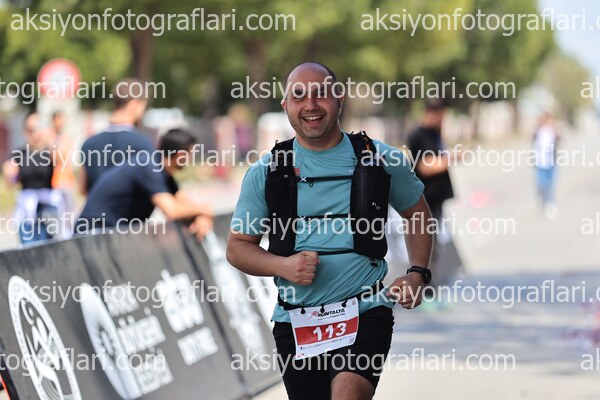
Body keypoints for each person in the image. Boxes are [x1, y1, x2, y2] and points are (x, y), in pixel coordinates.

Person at [226, 61, 433, 400]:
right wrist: (283, 266)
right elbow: (237, 247)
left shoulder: (379, 159)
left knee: (348, 393)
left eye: (320, 93)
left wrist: (417, 274)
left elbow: (418, 213)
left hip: (365, 310)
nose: (310, 105)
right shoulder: (267, 172)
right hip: (296, 321)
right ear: (285, 106)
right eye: (299, 96)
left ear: (339, 98)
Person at [75, 129, 213, 239]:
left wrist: (200, 217)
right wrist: (205, 209)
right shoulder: (148, 166)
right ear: (181, 155)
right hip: (92, 233)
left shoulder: (162, 172)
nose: (192, 159)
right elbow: (172, 210)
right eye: (191, 154)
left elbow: (183, 203)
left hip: (110, 234)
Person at [78, 78, 155, 194]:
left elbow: (82, 188)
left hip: (96, 205)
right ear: (134, 104)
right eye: (143, 106)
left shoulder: (88, 143)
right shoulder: (143, 144)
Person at [2, 112, 65, 244]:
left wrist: (49, 139)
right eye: (30, 129)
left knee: (48, 248)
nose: (34, 133)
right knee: (28, 246)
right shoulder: (20, 153)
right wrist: (9, 174)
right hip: (27, 208)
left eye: (37, 128)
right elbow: (11, 182)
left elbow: (61, 162)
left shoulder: (49, 152)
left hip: (48, 207)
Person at [407, 99, 456, 222]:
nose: (442, 122)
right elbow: (426, 167)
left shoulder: (434, 134)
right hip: (427, 199)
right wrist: (452, 158)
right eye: (441, 117)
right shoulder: (418, 136)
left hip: (437, 200)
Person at [532, 112, 559, 219]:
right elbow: (534, 144)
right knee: (541, 184)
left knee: (550, 185)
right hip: (540, 163)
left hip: (551, 162)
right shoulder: (539, 131)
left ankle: (550, 204)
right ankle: (543, 201)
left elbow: (559, 139)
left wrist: (555, 128)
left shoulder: (553, 130)